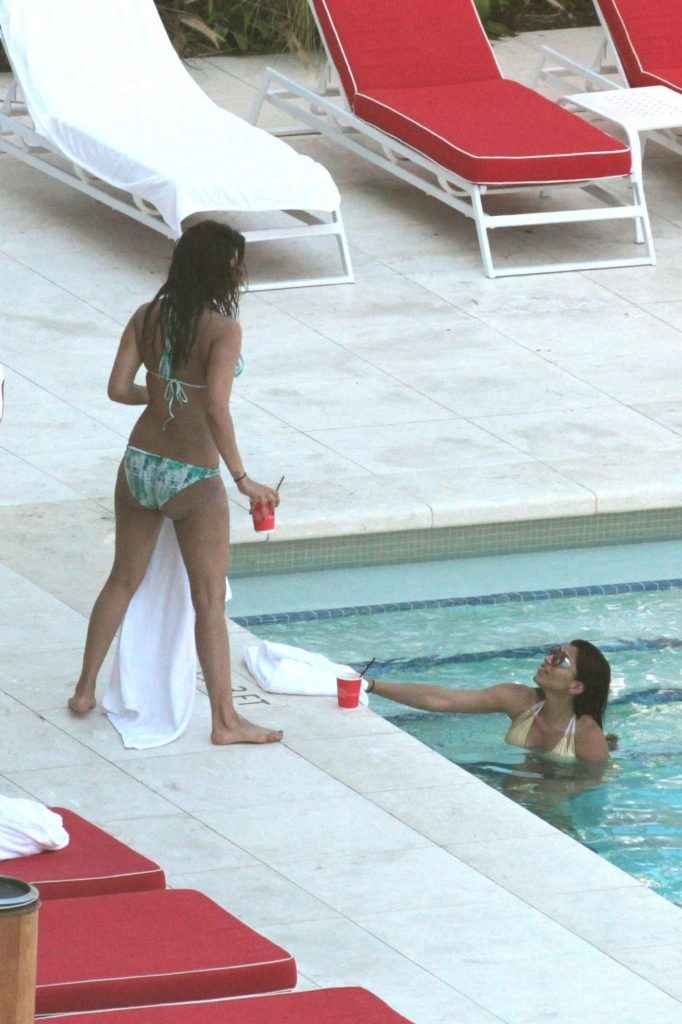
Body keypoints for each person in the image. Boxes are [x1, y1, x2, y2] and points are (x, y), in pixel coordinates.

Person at [68, 220, 282, 745]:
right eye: (237, 266)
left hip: (140, 461)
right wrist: (242, 478)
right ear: (220, 271)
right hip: (193, 474)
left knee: (122, 578)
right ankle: (226, 722)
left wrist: (162, 394)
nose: (241, 274)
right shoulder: (223, 330)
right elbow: (217, 406)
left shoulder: (147, 315)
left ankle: (84, 689)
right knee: (208, 600)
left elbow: (118, 388)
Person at [365, 640, 612, 763]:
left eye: (561, 660)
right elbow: (442, 700)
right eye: (553, 652)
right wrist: (370, 685)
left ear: (576, 686)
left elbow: (592, 790)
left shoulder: (587, 735)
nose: (548, 659)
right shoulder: (519, 700)